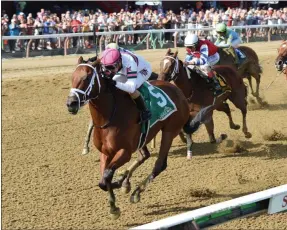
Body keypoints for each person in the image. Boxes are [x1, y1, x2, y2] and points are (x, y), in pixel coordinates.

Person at [100, 48, 152, 123]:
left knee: (132, 89)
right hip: (125, 68)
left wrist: (115, 83)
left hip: (143, 70)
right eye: (106, 67)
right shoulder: (111, 56)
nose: (109, 71)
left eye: (111, 67)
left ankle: (144, 111)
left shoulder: (129, 63)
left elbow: (131, 87)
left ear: (119, 62)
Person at [184, 33, 225, 97]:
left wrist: (190, 62)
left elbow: (203, 61)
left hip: (213, 56)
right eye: (188, 47)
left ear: (196, 44)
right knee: (189, 66)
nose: (189, 49)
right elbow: (188, 58)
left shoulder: (203, 45)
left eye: (191, 47)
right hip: (201, 56)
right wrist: (186, 63)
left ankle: (216, 85)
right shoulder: (189, 46)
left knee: (204, 66)